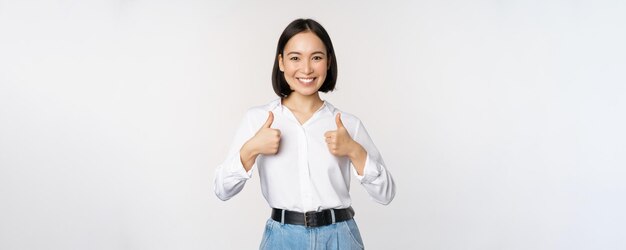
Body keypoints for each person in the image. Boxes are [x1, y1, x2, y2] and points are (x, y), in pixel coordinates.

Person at [214, 18, 396, 250]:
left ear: (328, 61)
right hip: (282, 239)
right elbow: (222, 190)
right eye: (295, 58)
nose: (307, 68)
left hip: (340, 237)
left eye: (317, 57)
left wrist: (354, 151)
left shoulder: (348, 124)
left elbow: (386, 194)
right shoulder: (258, 119)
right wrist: (251, 149)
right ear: (281, 62)